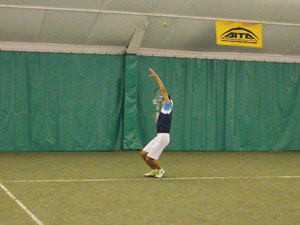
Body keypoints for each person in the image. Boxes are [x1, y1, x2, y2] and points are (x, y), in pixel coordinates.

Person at [140, 68, 173, 179]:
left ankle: (160, 170)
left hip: (163, 137)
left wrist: (157, 77)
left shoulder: (168, 106)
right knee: (143, 154)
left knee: (150, 158)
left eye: (166, 98)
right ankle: (154, 170)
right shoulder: (164, 110)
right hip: (159, 136)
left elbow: (163, 91)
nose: (164, 99)